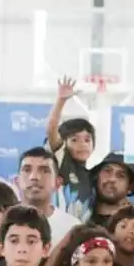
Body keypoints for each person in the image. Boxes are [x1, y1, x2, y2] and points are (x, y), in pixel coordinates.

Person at [46, 77, 97, 222]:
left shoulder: (93, 175)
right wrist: (61, 101)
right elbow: (51, 130)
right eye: (74, 140)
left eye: (87, 139)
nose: (82, 144)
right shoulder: (62, 161)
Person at [16, 146, 81, 244]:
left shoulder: (72, 227)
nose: (34, 177)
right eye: (27, 170)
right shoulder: (0, 222)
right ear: (17, 181)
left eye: (45, 171)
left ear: (58, 183)